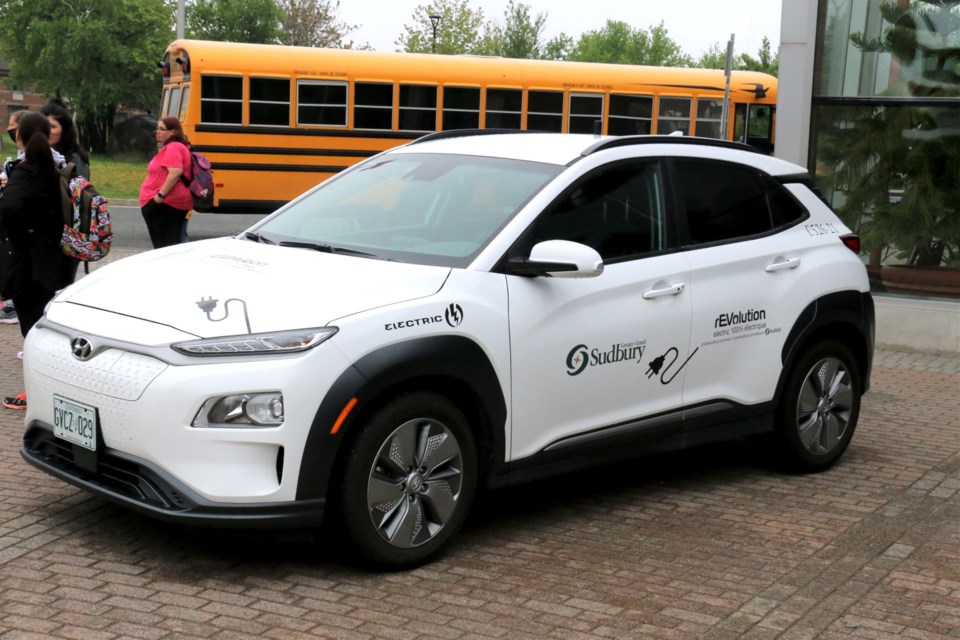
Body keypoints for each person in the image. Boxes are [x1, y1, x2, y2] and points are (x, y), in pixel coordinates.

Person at [0, 112, 68, 410]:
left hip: (28, 262)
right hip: (50, 257)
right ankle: (47, 388)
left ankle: (36, 392)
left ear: (19, 137)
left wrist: (19, 236)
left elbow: (10, 208)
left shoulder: (25, 172)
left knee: (33, 330)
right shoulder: (52, 169)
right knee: (42, 325)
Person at [139, 116, 192, 249]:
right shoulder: (173, 147)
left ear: (173, 132)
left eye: (162, 129)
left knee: (164, 249)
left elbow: (175, 172)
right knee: (168, 247)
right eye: (157, 129)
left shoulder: (173, 147)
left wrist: (159, 197)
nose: (157, 132)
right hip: (167, 204)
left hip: (167, 204)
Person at [0, 110, 27, 326]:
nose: (10, 130)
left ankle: (12, 305)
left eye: (12, 126)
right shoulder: (19, 156)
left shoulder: (33, 158)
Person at [41, 101, 89, 179]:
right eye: (43, 125)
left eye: (52, 126)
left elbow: (80, 189)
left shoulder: (75, 160)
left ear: (64, 131)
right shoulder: (34, 155)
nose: (47, 130)